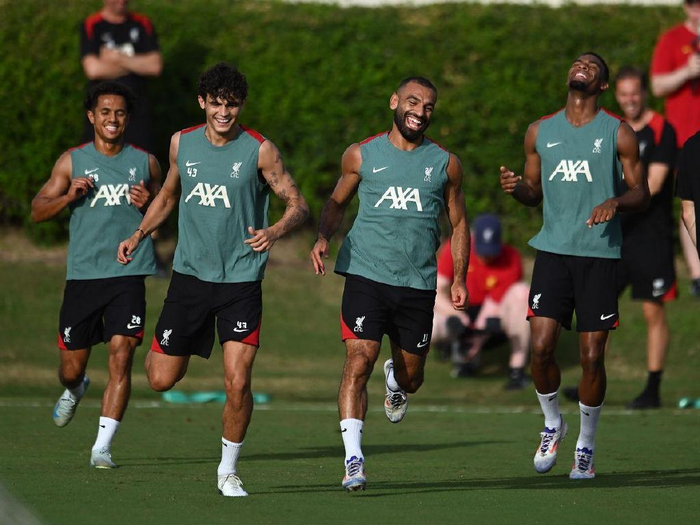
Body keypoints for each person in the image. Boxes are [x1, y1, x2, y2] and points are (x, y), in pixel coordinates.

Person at [117, 63, 309, 497]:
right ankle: (174, 346)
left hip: (241, 283)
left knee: (238, 381)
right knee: (161, 379)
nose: (224, 112)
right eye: (217, 103)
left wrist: (274, 231)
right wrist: (138, 234)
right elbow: (168, 195)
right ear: (203, 102)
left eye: (233, 105)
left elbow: (298, 204)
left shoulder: (260, 150)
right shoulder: (180, 143)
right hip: (189, 279)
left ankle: (228, 470)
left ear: (241, 105)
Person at [310, 77, 470, 492]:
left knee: (412, 378)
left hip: (417, 284)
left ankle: (396, 382)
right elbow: (337, 202)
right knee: (358, 360)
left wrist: (459, 278)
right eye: (413, 102)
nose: (420, 111)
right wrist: (324, 236)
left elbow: (458, 224)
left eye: (428, 106)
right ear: (394, 102)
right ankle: (353, 459)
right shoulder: (361, 154)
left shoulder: (446, 164)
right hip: (366, 274)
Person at [500, 52, 648, 480]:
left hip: (599, 255)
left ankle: (586, 445)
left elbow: (642, 193)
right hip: (553, 252)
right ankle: (553, 423)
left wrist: (615, 201)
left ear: (602, 85)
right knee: (541, 347)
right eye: (578, 62)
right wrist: (517, 189)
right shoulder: (540, 131)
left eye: (592, 66)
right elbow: (533, 192)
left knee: (591, 357)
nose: (582, 66)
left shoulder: (618, 132)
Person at [31, 81, 160, 469]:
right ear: (92, 116)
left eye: (119, 112)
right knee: (71, 368)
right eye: (105, 111)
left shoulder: (146, 163)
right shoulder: (71, 161)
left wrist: (150, 203)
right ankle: (76, 388)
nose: (112, 118)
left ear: (127, 119)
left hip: (128, 274)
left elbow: (166, 210)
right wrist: (68, 197)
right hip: (84, 276)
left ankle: (102, 447)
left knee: (122, 354)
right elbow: (37, 210)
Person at [565, 67, 677, 409]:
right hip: (612, 237)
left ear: (644, 93)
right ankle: (592, 380)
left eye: (635, 93)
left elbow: (652, 185)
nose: (630, 100)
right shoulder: (613, 129)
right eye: (624, 94)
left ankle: (652, 388)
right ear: (617, 94)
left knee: (652, 312)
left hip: (651, 237)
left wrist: (610, 203)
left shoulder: (662, 130)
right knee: (598, 310)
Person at [432, 213, 530, 389]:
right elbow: (436, 290)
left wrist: (477, 338)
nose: (487, 257)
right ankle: (434, 353)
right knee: (429, 323)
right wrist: (457, 317)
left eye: (491, 251)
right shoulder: (456, 248)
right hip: (458, 310)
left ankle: (517, 369)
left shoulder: (511, 258)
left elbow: (493, 306)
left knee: (522, 292)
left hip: (493, 317)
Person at [651, 0, 700, 296]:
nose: (698, 11)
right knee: (690, 204)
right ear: (686, 8)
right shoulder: (672, 39)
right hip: (684, 138)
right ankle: (697, 273)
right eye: (693, 5)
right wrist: (686, 71)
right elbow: (657, 85)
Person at [80, 0, 162, 152]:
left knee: (140, 161)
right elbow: (93, 70)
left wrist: (118, 58)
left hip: (137, 113)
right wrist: (136, 65)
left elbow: (154, 66)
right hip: (103, 113)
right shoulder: (93, 25)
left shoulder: (142, 23)